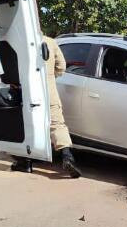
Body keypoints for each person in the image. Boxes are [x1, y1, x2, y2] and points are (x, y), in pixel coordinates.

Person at [11, 36, 82, 178]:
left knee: (27, 124)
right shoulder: (50, 41)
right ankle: (67, 157)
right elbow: (61, 66)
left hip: (27, 90)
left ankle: (25, 163)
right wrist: (50, 76)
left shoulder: (20, 41)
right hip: (48, 90)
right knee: (57, 124)